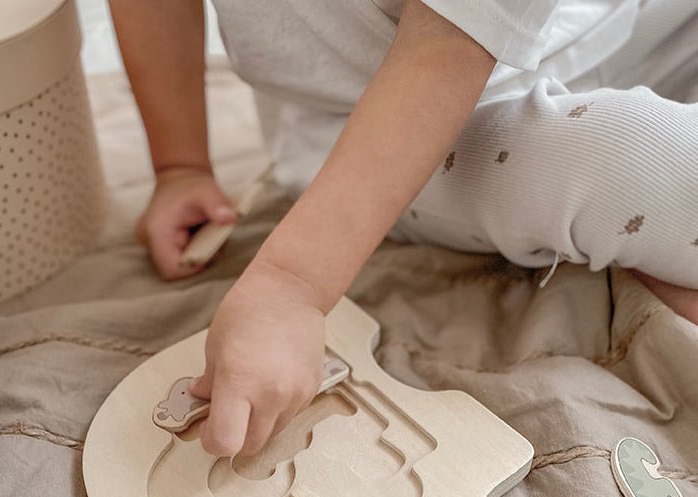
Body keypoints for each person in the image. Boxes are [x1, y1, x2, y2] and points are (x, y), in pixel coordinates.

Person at [108, 0, 698, 458]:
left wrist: (287, 287)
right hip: (377, 126)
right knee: (638, 153)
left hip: (598, 23)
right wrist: (181, 166)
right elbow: (443, 47)